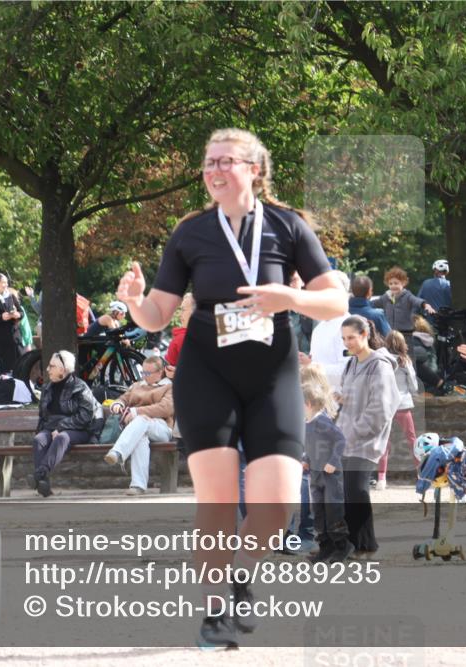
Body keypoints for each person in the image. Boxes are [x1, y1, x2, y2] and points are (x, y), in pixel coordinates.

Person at [115, 127, 347, 648]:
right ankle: (216, 613)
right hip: (207, 372)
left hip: (271, 374)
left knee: (278, 504)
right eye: (208, 162)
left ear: (254, 169)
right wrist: (133, 300)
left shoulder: (288, 227)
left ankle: (240, 577)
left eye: (226, 161)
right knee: (218, 500)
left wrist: (288, 296)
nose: (214, 170)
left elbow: (337, 302)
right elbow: (157, 316)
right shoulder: (191, 232)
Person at [336, 316, 401, 558]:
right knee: (347, 492)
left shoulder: (379, 365)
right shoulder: (351, 364)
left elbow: (382, 408)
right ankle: (353, 544)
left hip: (366, 440)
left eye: (351, 337)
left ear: (365, 335)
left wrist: (355, 431)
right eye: (344, 338)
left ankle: (364, 545)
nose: (347, 343)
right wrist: (340, 399)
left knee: (356, 490)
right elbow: (351, 396)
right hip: (346, 438)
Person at [31, 350, 104, 498]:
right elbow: (43, 416)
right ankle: (43, 484)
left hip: (80, 429)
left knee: (61, 438)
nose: (47, 369)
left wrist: (61, 427)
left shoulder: (80, 387)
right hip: (53, 428)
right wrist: (42, 431)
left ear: (62, 370)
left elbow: (85, 416)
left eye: (51, 366)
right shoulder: (47, 388)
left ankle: (40, 474)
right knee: (39, 440)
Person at [103, 355, 175, 495]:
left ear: (160, 373)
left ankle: (118, 452)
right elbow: (123, 398)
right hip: (138, 428)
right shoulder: (137, 385)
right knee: (141, 437)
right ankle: (138, 486)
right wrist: (117, 404)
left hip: (161, 427)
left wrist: (136, 411)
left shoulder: (169, 387)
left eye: (147, 373)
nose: (144, 375)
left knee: (141, 420)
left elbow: (166, 408)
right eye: (143, 372)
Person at [302, 379, 350, 563]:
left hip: (330, 476)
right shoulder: (306, 423)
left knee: (333, 511)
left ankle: (342, 546)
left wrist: (333, 461)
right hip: (315, 474)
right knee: (319, 511)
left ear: (308, 404)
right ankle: (325, 546)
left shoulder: (322, 421)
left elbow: (340, 441)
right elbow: (311, 446)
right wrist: (306, 459)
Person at [302, 271, 351, 390]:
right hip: (319, 400)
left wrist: (311, 365)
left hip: (342, 402)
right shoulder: (319, 328)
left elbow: (347, 370)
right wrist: (306, 361)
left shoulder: (349, 325)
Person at [384, 331, 418, 477]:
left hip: (386, 405)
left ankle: (381, 478)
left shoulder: (382, 360)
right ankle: (420, 472)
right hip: (403, 404)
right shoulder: (405, 361)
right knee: (412, 439)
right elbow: (414, 386)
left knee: (384, 441)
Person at [372, 266, 436, 336]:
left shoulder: (407, 296)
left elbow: (416, 300)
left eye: (396, 283)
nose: (393, 286)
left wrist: (425, 305)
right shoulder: (386, 297)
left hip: (405, 333)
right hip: (390, 332)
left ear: (403, 283)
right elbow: (373, 303)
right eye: (390, 284)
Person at [164, 292, 194, 371]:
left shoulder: (182, 338)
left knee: (144, 377)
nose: (180, 315)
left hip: (171, 379)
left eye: (183, 310)